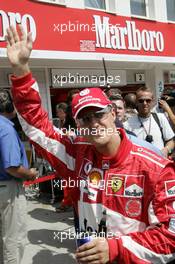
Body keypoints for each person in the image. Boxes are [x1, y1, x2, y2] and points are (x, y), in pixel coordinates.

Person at [6, 25, 175, 263]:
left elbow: (170, 238)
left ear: (114, 114)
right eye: (85, 118)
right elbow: (37, 126)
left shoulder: (156, 167)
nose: (94, 123)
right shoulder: (76, 154)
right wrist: (21, 70)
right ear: (77, 124)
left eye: (99, 114)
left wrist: (116, 248)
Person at [0, 89, 38, 264]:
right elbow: (12, 167)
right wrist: (30, 173)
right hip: (8, 189)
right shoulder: (6, 128)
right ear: (9, 106)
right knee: (13, 239)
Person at [124, 86, 175, 158]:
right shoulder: (127, 125)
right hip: (140, 164)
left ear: (153, 101)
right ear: (136, 102)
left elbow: (171, 141)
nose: (145, 103)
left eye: (148, 100)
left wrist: (166, 150)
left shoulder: (160, 118)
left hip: (159, 163)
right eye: (141, 101)